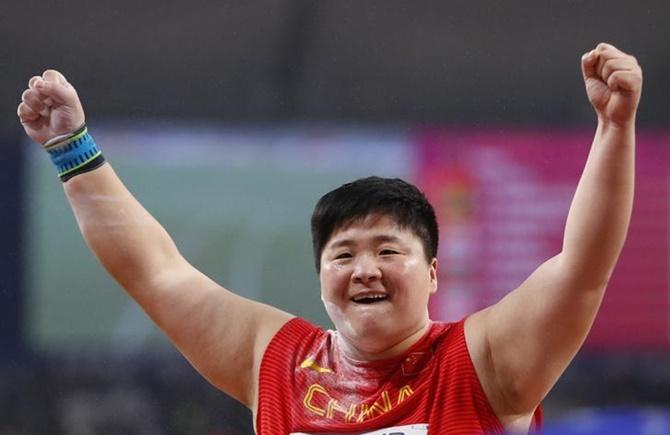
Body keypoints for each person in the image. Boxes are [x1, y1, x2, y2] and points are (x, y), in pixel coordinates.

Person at [17, 42, 642, 434]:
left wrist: (615, 127)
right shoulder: (275, 362)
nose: (364, 269)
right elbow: (157, 274)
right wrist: (74, 149)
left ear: (431, 274)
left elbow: (583, 268)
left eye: (388, 250)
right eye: (343, 255)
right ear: (321, 281)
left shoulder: (481, 362)